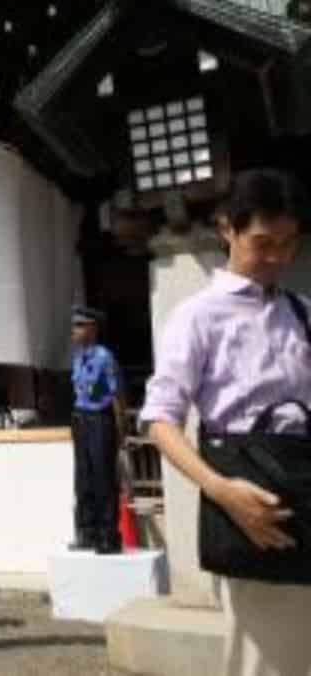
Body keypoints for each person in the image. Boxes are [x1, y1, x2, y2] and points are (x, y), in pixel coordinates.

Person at [140, 169, 311, 676]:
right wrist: (221, 491)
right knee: (265, 659)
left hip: (304, 485)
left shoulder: (302, 313)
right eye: (263, 243)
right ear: (226, 230)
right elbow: (160, 420)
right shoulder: (199, 316)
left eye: (289, 244)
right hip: (249, 499)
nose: (278, 257)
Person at [69, 304, 125, 554]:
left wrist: (121, 429)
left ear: (92, 328)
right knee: (83, 478)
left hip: (100, 420)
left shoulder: (104, 357)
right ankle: (86, 532)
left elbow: (117, 395)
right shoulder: (78, 357)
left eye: (79, 325)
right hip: (81, 419)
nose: (74, 330)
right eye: (74, 325)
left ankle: (107, 535)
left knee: (103, 477)